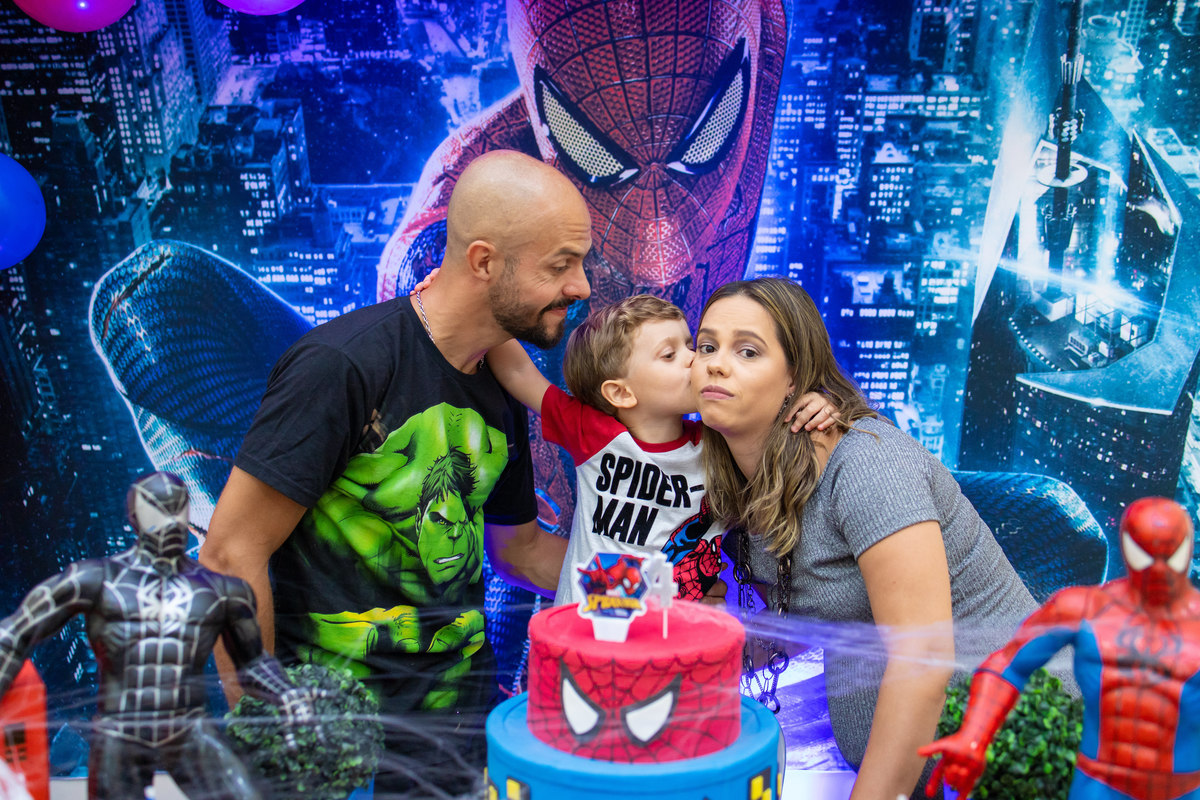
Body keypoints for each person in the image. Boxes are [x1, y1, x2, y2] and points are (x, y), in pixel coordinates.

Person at [197, 149, 592, 798]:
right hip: (334, 736)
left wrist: (653, 580)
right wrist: (264, 725)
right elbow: (231, 551)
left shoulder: (500, 382)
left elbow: (518, 552)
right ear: (485, 261)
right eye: (561, 265)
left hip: (454, 734)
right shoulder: (342, 365)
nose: (580, 286)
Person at [690, 277, 1038, 800]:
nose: (716, 364)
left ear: (794, 380)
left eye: (747, 351)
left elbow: (923, 658)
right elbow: (797, 618)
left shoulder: (868, 463)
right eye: (706, 346)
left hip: (1016, 760)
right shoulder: (733, 481)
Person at [487, 293, 837, 605]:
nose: (693, 358)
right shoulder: (592, 433)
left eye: (692, 345)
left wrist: (815, 401)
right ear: (621, 393)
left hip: (679, 645)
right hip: (590, 640)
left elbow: (779, 418)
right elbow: (519, 372)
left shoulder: (720, 441)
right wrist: (480, 308)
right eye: (670, 354)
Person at [0, 472, 314, 800]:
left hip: (187, 727)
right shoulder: (97, 580)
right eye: (159, 509)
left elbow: (253, 664)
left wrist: (287, 694)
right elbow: (17, 632)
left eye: (176, 508)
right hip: (121, 727)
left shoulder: (219, 590)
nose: (169, 519)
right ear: (136, 515)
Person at [919, 496, 1200, 800]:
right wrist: (974, 737)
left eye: (1169, 556)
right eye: (1146, 556)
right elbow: (1008, 665)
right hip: (1099, 785)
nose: (1158, 571)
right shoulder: (1083, 609)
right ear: (1128, 546)